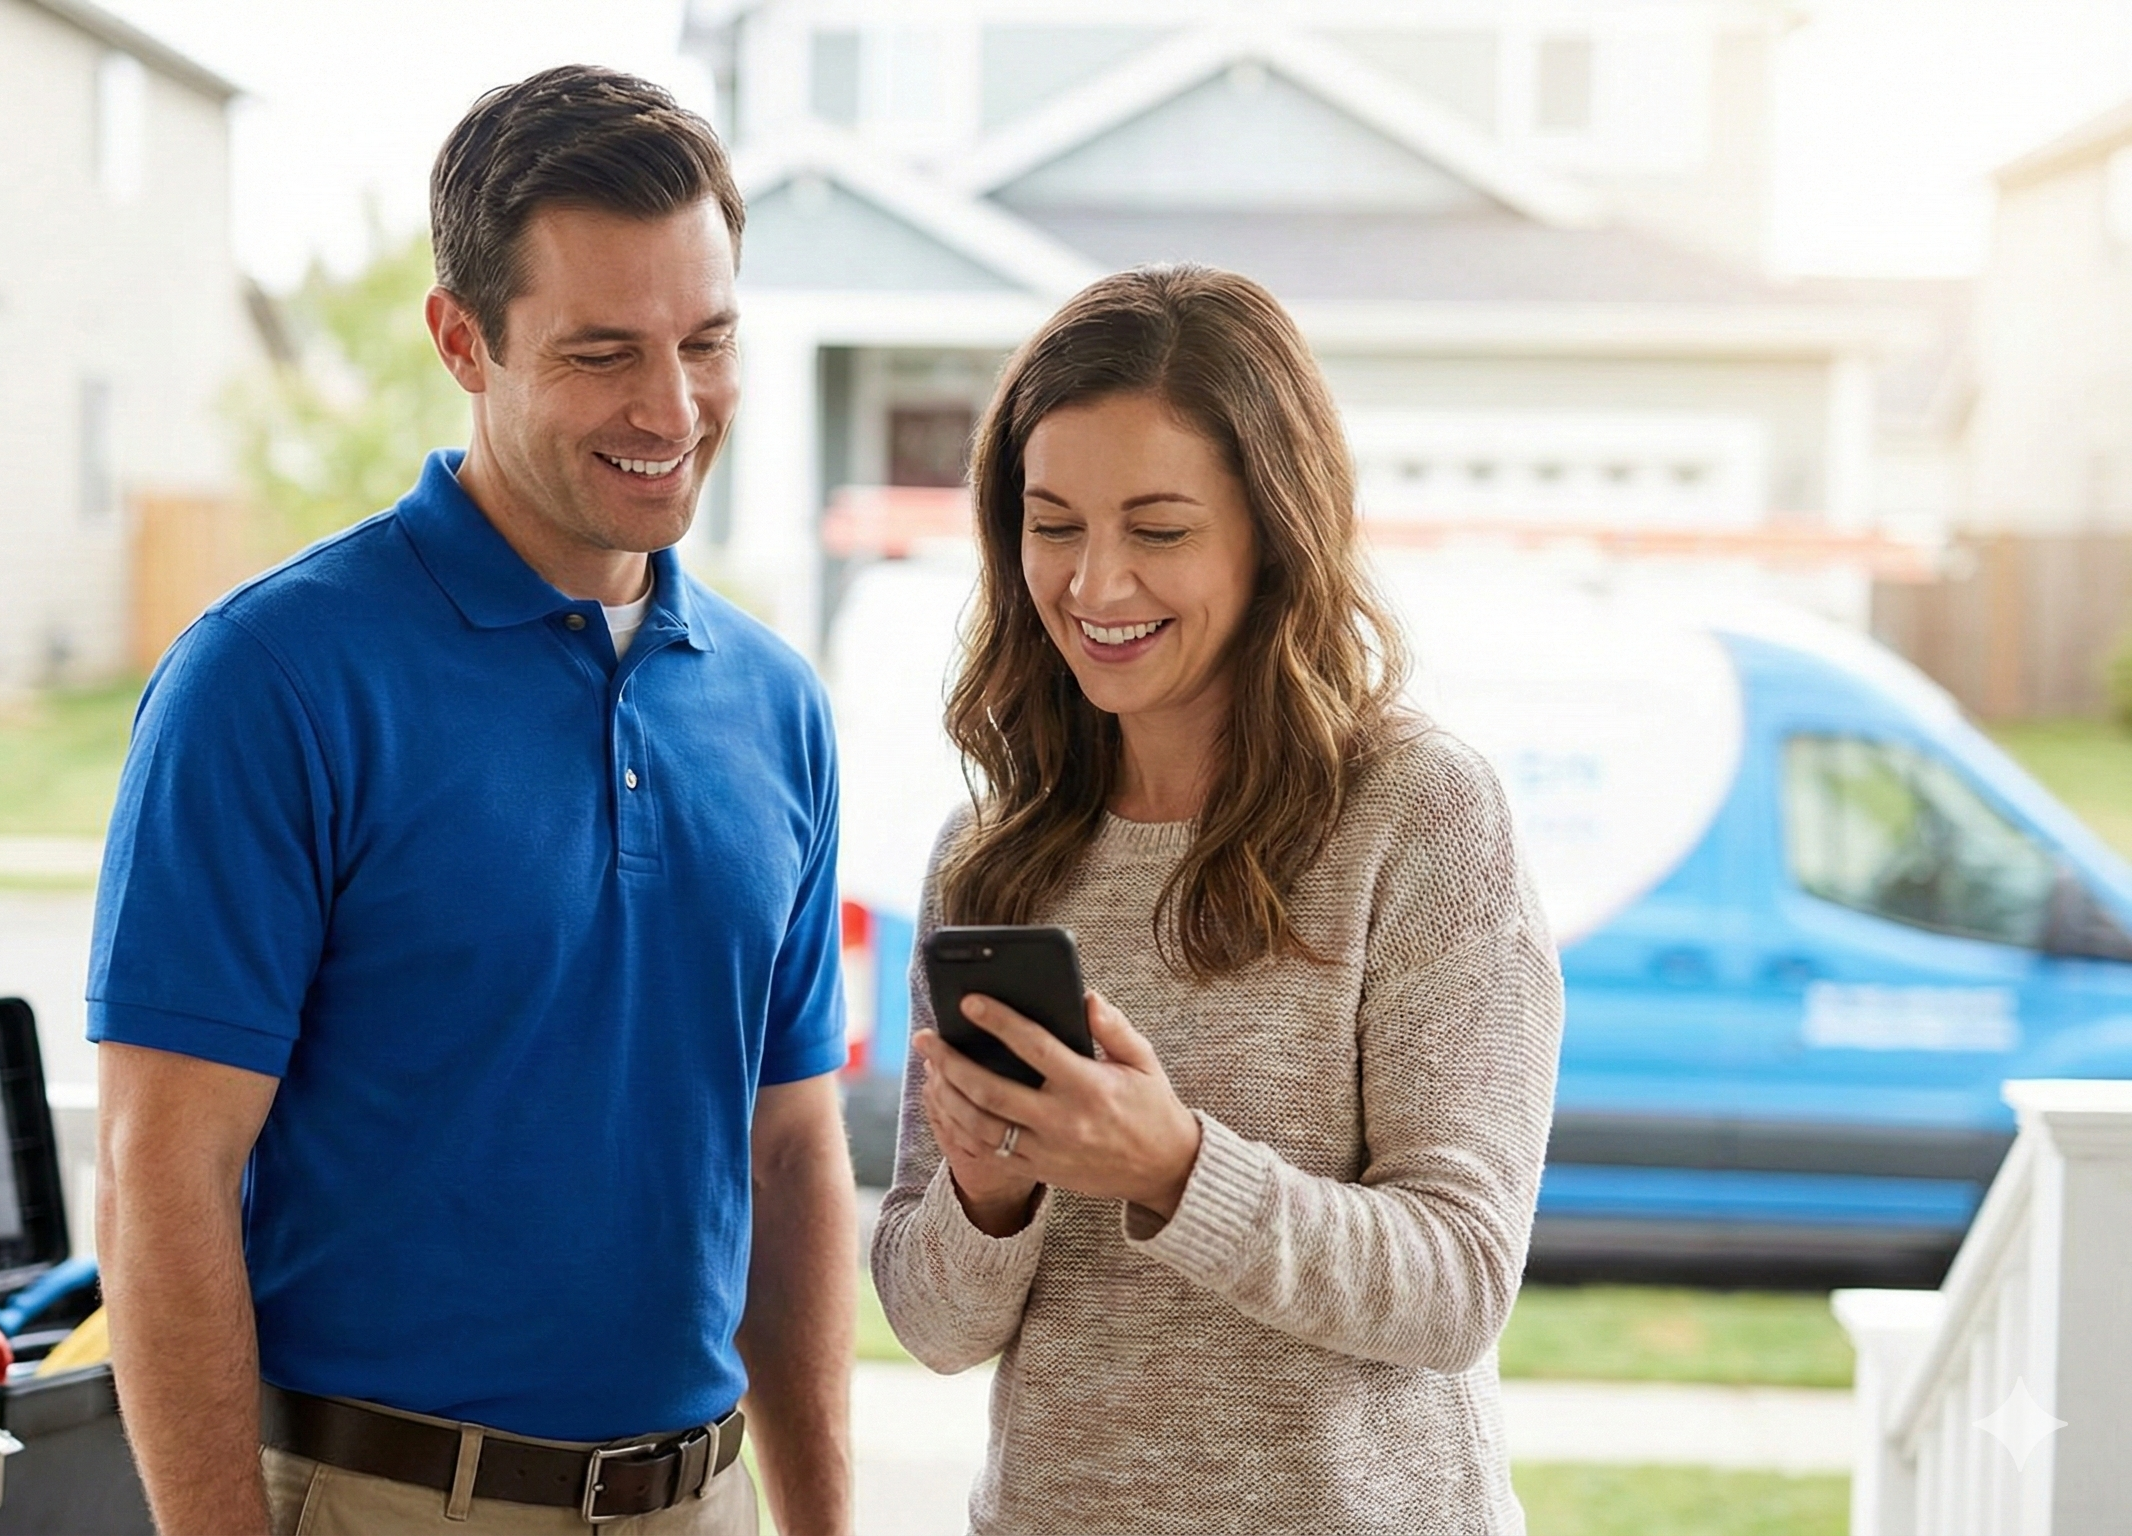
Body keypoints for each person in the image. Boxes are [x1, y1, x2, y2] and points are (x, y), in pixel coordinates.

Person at [86, 66, 856, 1536]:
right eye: (602, 353)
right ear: (462, 340)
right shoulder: (271, 680)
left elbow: (789, 1151)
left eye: (707, 341)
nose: (671, 406)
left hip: (701, 1501)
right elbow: (160, 1175)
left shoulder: (776, 705)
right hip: (385, 1503)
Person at [869, 265, 1565, 1535]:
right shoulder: (989, 857)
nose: (1091, 585)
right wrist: (988, 1195)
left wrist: (1172, 1168)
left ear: (1272, 531)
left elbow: (1458, 1282)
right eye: (1053, 523)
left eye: (1158, 528)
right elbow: (931, 1324)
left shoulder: (1415, 815)